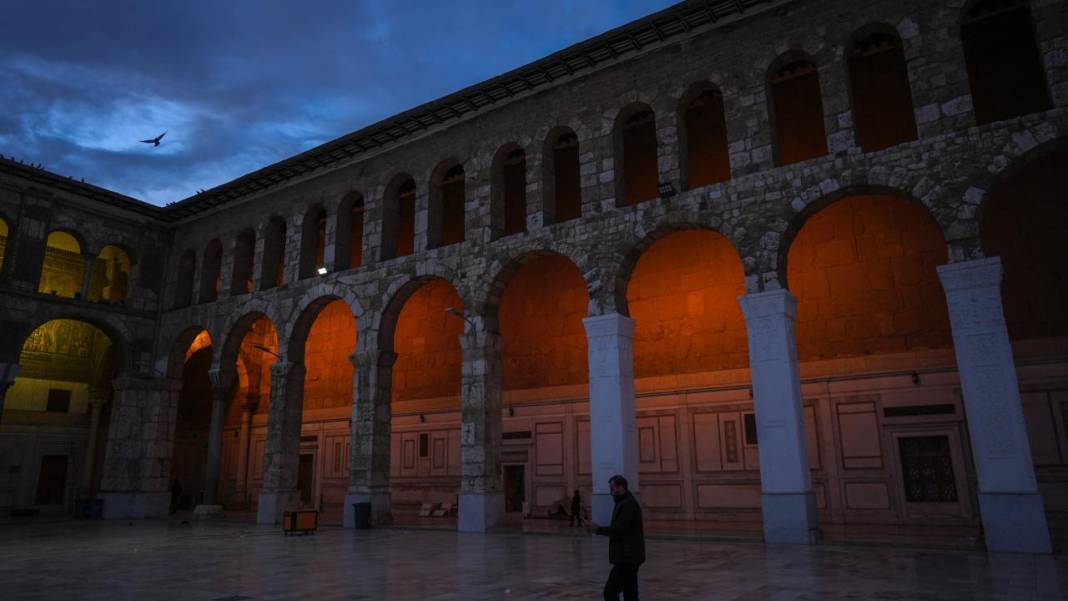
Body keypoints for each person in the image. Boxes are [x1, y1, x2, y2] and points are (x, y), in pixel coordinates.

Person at [589, 475, 645, 601]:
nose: (611, 492)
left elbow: (619, 530)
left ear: (621, 487)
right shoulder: (624, 502)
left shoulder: (627, 505)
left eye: (612, 489)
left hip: (627, 558)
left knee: (610, 592)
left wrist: (598, 529)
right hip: (630, 556)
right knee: (630, 594)